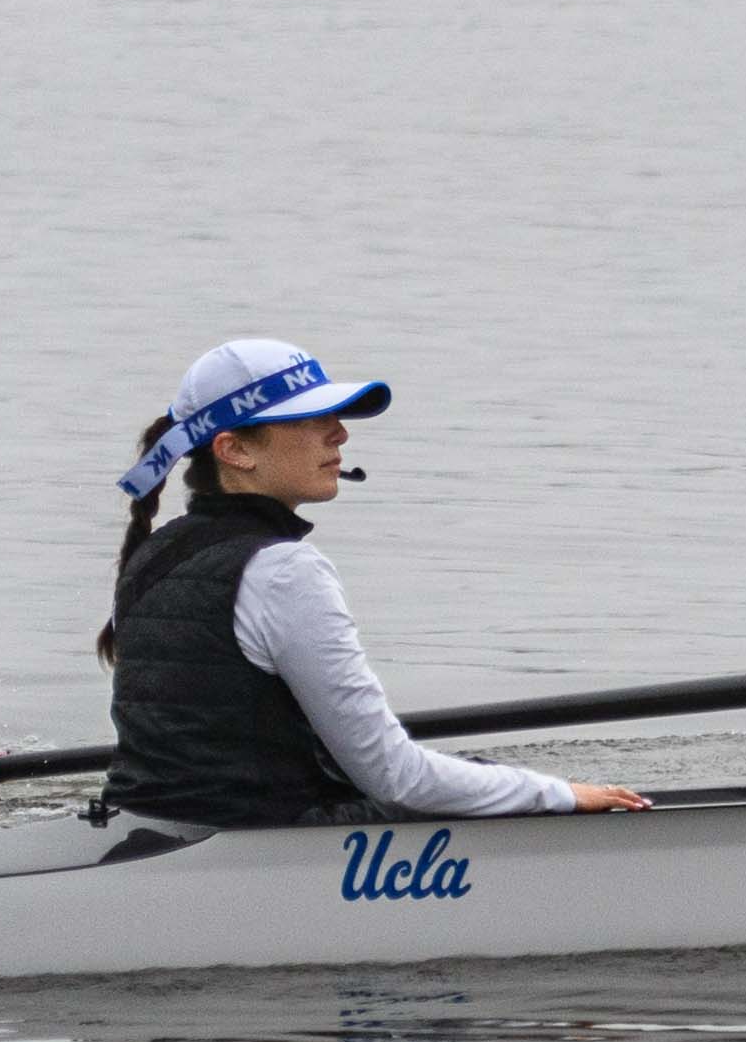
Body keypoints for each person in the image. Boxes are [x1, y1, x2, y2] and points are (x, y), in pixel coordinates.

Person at [90, 339, 650, 830]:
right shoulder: (283, 570)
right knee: (487, 787)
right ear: (234, 450)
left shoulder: (156, 551)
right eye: (310, 419)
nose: (340, 433)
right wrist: (558, 795)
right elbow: (395, 778)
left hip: (155, 823)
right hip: (266, 849)